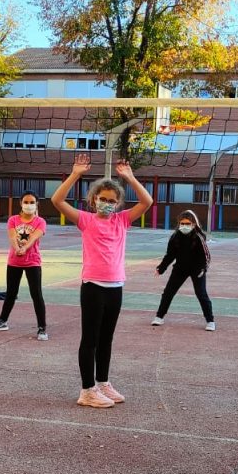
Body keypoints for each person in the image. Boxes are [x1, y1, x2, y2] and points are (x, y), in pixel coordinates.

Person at [51, 153, 154, 408]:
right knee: (90, 339)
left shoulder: (122, 221)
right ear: (94, 199)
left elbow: (147, 201)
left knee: (106, 339)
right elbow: (57, 200)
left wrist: (129, 177)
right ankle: (87, 390)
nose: (106, 203)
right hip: (93, 287)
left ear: (118, 204)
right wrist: (75, 174)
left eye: (111, 201)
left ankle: (103, 382)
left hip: (116, 286)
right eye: (102, 199)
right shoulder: (86, 220)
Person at [0, 191, 48, 340]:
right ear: (20, 203)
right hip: (14, 262)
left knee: (36, 295)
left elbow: (34, 237)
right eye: (26, 202)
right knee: (11, 293)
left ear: (37, 204)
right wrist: (17, 248)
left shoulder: (40, 221)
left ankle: (42, 328)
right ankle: (2, 321)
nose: (29, 205)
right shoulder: (13, 220)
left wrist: (25, 248)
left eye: (32, 202)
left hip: (33, 262)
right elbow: (12, 236)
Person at [152, 209, 215, 331]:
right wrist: (161, 268)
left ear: (193, 224)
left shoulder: (198, 237)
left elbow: (206, 256)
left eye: (187, 224)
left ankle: (210, 321)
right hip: (180, 269)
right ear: (179, 224)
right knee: (168, 293)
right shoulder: (175, 237)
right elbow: (170, 255)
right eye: (182, 223)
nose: (184, 226)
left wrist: (204, 269)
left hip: (197, 270)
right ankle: (159, 317)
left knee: (201, 294)